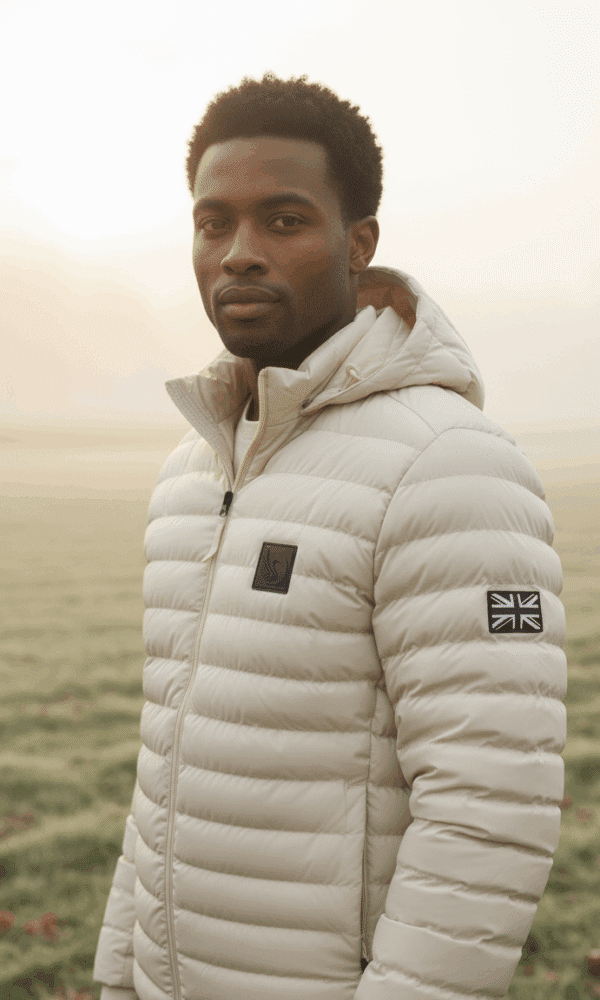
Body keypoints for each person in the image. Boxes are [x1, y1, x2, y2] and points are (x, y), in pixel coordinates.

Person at [93, 73, 567, 1000]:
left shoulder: (450, 464)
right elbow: (167, 775)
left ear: (359, 245)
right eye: (212, 222)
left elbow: (487, 808)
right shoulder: (191, 474)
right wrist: (121, 972)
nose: (236, 254)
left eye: (282, 221)